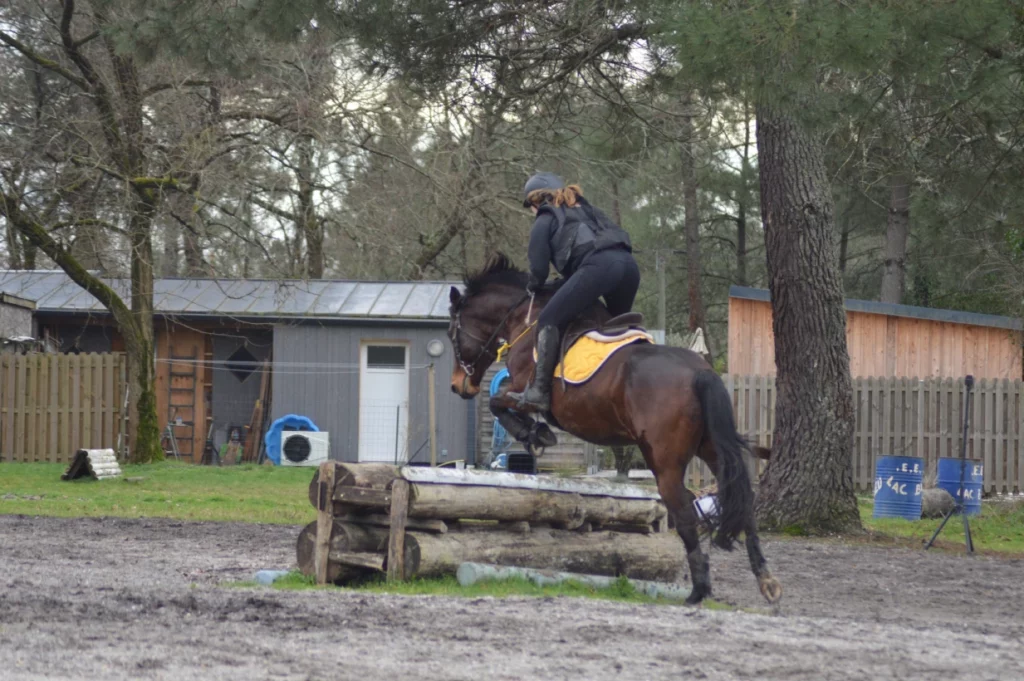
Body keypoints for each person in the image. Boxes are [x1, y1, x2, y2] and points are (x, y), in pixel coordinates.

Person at [507, 172, 641, 411]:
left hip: (598, 268)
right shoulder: (589, 210)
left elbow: (538, 268)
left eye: (531, 207)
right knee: (613, 326)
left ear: (536, 202)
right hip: (629, 268)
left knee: (548, 319)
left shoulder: (545, 217)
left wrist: (533, 286)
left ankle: (539, 392)